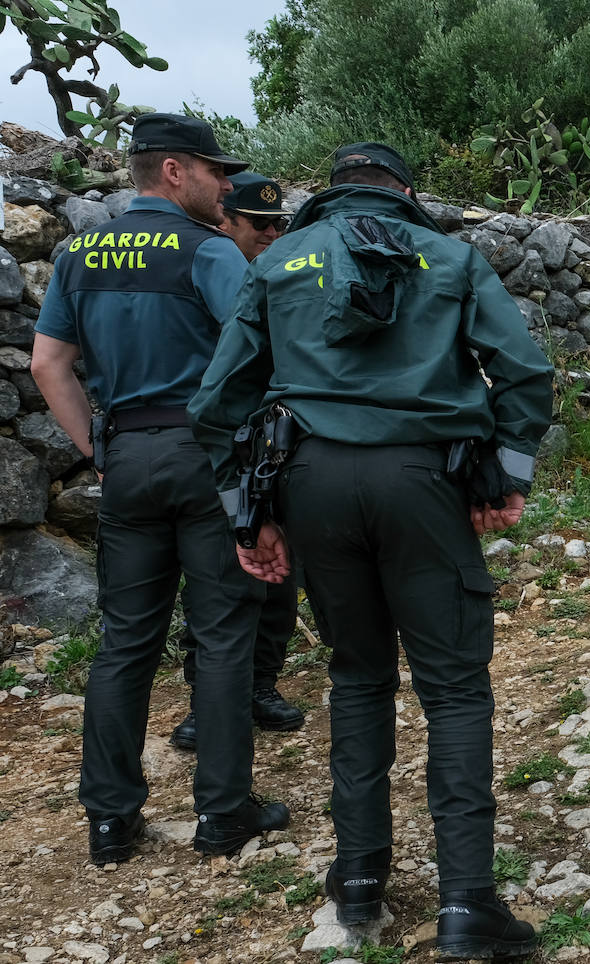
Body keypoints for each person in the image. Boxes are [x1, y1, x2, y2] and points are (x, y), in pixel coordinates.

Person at [188, 142, 552, 957]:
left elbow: (218, 401)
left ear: (331, 194)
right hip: (423, 483)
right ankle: (466, 904)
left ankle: (359, 877)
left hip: (311, 482)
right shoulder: (452, 256)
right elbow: (524, 372)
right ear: (405, 192)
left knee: (356, 676)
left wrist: (249, 513)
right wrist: (506, 477)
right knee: (454, 690)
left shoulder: (278, 261)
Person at [29, 112, 290, 863]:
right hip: (207, 458)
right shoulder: (208, 251)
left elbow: (50, 364)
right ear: (174, 171)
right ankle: (222, 814)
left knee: (123, 645)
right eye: (215, 172)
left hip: (128, 459)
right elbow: (263, 355)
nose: (226, 185)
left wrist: (99, 449)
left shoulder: (79, 253)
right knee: (222, 637)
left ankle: (110, 821)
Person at [169, 170, 303, 751]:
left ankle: (260, 683)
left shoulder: (285, 276)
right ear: (226, 220)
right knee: (218, 574)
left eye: (280, 223)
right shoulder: (216, 267)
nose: (272, 233)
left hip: (271, 442)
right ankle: (208, 695)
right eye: (259, 223)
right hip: (219, 442)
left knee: (279, 566)